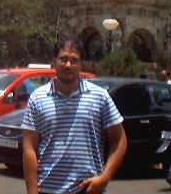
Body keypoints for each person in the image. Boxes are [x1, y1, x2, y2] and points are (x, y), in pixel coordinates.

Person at [22, 39, 127, 194]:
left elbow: (119, 140)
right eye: (63, 59)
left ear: (81, 64)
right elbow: (29, 148)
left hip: (88, 189)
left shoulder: (100, 96)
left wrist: (105, 178)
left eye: (74, 60)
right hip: (48, 189)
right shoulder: (38, 98)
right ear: (54, 62)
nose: (68, 65)